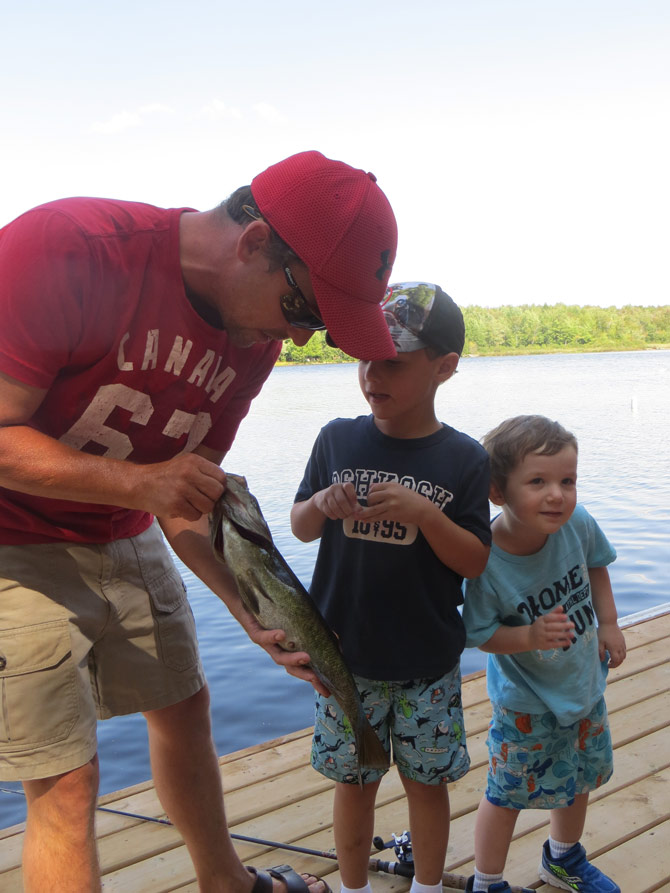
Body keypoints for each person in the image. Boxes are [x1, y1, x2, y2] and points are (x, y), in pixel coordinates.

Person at [0, 150, 399, 893]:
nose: (306, 337)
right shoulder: (66, 250)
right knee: (66, 780)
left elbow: (186, 501)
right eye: (306, 310)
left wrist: (248, 611)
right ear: (253, 244)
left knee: (185, 704)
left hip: (126, 522)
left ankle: (226, 882)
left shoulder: (254, 339)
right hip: (12, 535)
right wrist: (142, 482)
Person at [290, 282, 492, 893]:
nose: (373, 375)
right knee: (354, 786)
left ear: (444, 368)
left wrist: (427, 515)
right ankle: (353, 888)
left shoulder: (463, 459)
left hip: (426, 662)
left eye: (393, 362)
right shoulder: (337, 438)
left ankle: (427, 887)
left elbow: (475, 561)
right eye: (364, 358)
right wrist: (322, 502)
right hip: (342, 658)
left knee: (427, 787)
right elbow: (299, 528)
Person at [462, 415, 627, 893]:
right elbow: (479, 633)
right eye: (538, 481)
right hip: (526, 704)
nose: (557, 494)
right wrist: (529, 637)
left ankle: (563, 859)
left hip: (583, 682)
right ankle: (486, 880)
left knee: (578, 779)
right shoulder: (486, 559)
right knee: (506, 794)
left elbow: (597, 566)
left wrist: (610, 624)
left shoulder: (576, 523)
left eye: (567, 480)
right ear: (498, 490)